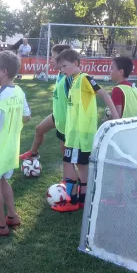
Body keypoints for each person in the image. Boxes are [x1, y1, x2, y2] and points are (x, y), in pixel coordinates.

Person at [51, 49, 120, 213]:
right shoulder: (74, 80)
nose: (62, 70)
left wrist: (115, 116)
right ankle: (83, 199)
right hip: (78, 134)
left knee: (68, 164)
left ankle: (71, 200)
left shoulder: (84, 79)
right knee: (82, 166)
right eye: (60, 67)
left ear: (76, 63)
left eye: (64, 66)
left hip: (79, 135)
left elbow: (104, 94)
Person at [0, 51, 31, 236]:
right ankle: (12, 216)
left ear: (3, 71)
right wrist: (13, 124)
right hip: (12, 146)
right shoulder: (19, 91)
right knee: (4, 180)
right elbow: (27, 116)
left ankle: (1, 226)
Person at [102, 56, 137, 207]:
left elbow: (117, 116)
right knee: (128, 161)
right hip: (136, 130)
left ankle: (119, 198)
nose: (110, 71)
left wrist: (105, 119)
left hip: (123, 133)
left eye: (112, 68)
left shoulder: (117, 90)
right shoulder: (133, 87)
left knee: (118, 166)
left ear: (120, 71)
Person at [19, 44, 72, 162]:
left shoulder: (69, 78)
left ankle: (68, 178)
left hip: (66, 120)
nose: (51, 60)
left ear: (63, 59)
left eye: (53, 56)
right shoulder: (60, 74)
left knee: (65, 151)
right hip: (57, 115)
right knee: (39, 129)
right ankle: (33, 153)